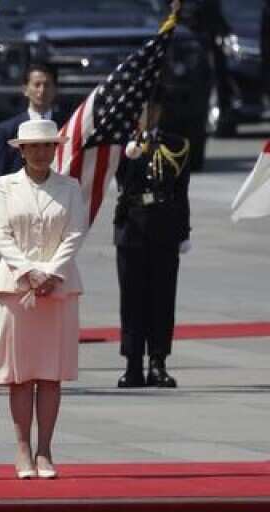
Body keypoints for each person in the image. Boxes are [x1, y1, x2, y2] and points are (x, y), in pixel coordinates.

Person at [0, 119, 87, 480]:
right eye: (34, 147)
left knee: (50, 374)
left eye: (48, 146)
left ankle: (45, 449)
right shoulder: (4, 186)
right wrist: (29, 271)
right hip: (18, 286)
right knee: (20, 374)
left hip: (58, 286)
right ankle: (21, 447)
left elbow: (76, 231)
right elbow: (1, 233)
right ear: (22, 150)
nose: (42, 153)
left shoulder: (70, 186)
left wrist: (50, 272)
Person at [113, 101, 192, 388]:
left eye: (153, 109)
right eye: (142, 109)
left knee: (161, 297)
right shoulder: (123, 144)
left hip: (164, 228)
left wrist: (183, 231)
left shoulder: (176, 145)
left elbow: (181, 191)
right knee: (132, 299)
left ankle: (158, 361)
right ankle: (133, 363)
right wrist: (131, 151)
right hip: (131, 226)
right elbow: (121, 179)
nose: (147, 114)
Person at [0, 64, 65, 179]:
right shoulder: (6, 131)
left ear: (55, 89)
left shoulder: (67, 127)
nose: (42, 90)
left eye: (47, 85)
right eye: (37, 85)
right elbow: (0, 175)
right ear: (25, 89)